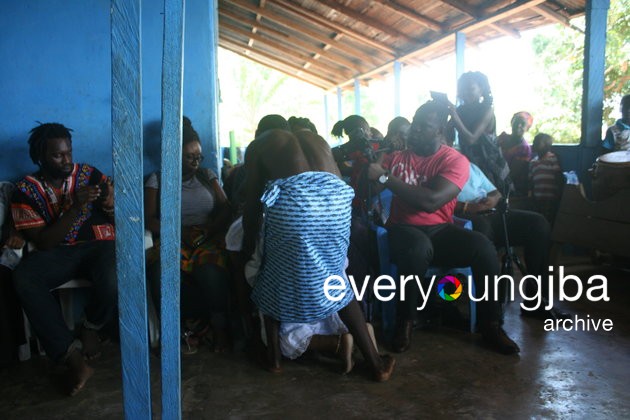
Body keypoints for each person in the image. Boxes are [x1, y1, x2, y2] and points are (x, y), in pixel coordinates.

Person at [367, 100, 520, 355]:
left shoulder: (454, 161)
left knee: (483, 247)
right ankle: (405, 322)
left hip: (439, 229)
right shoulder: (395, 158)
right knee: (418, 247)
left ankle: (491, 325)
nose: (414, 132)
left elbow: (431, 201)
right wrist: (376, 164)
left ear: (439, 132)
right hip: (403, 231)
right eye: (414, 126)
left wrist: (384, 177)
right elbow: (369, 192)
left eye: (422, 127)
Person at [242, 128, 395, 381]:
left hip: (297, 206)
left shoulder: (259, 146)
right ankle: (376, 363)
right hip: (336, 206)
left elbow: (252, 204)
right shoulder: (316, 140)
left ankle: (274, 360)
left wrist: (250, 246)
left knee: (268, 275)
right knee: (336, 278)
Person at [11, 122, 117, 395]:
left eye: (68, 152)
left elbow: (117, 209)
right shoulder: (26, 189)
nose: (66, 160)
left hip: (99, 245)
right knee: (24, 278)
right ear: (40, 158)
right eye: (57, 155)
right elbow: (45, 242)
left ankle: (91, 328)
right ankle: (72, 357)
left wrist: (109, 200)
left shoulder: (89, 174)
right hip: (59, 252)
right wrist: (76, 207)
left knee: (116, 274)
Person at [145, 117, 232, 353]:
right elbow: (149, 217)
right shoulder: (158, 179)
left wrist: (211, 229)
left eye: (198, 157)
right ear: (173, 154)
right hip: (173, 237)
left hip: (207, 236)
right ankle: (175, 331)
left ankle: (218, 328)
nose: (195, 162)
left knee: (211, 272)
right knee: (161, 271)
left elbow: (226, 208)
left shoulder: (207, 176)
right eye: (189, 157)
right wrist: (177, 231)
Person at [454, 161, 568, 320]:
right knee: (483, 232)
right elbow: (436, 201)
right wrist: (466, 207)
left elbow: (495, 192)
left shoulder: (468, 165)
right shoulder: (434, 167)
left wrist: (492, 200)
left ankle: (535, 302)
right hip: (463, 218)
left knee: (538, 224)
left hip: (490, 213)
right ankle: (488, 311)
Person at [447, 71, 512, 195]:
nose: (465, 93)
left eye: (470, 89)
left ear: (481, 89)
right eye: (462, 90)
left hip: (490, 167)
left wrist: (454, 116)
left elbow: (472, 139)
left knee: (491, 200)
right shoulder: (460, 111)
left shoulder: (487, 110)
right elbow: (446, 137)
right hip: (469, 165)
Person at [497, 112, 533, 196]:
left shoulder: (524, 149)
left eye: (523, 124)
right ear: (512, 123)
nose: (519, 125)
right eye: (516, 122)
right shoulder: (502, 138)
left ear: (527, 128)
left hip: (511, 186)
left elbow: (513, 174)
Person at [529, 133, 563, 224]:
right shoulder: (533, 162)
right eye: (534, 142)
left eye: (538, 142)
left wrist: (559, 195)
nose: (535, 144)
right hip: (538, 197)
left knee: (549, 219)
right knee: (538, 219)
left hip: (551, 197)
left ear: (547, 145)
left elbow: (558, 177)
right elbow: (531, 181)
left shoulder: (552, 158)